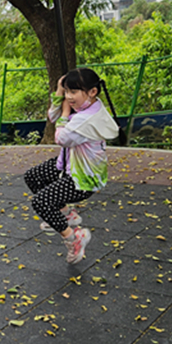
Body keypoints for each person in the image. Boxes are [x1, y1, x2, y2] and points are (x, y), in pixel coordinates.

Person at [24, 68, 119, 264]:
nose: (69, 97)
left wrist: (65, 111)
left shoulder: (87, 119)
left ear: (92, 92)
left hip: (82, 178)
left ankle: (74, 239)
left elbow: (61, 137)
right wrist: (59, 92)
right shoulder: (87, 106)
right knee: (33, 177)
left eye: (73, 92)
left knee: (40, 202)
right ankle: (67, 215)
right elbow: (53, 117)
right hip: (68, 165)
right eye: (67, 92)